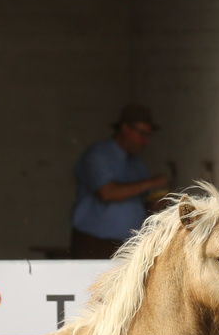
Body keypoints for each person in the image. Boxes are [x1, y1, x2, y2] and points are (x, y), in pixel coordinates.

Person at [70, 103, 170, 259]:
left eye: (148, 135)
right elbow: (107, 192)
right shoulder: (97, 155)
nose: (146, 141)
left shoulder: (136, 163)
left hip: (126, 246)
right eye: (142, 133)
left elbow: (140, 200)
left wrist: (156, 204)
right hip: (95, 244)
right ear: (124, 128)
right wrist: (152, 182)